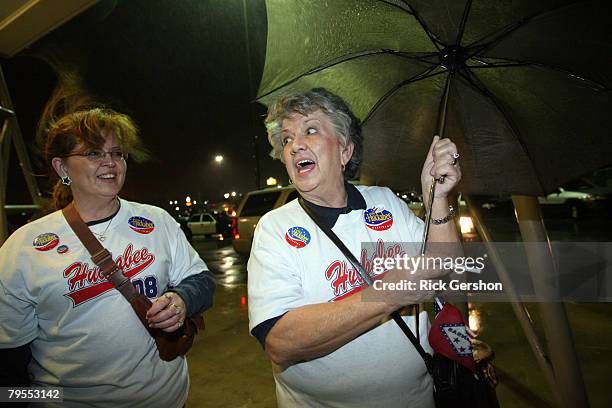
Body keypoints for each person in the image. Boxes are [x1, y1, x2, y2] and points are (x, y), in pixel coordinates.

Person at [248, 88, 462, 407]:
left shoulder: (385, 202)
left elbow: (444, 268)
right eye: (287, 138)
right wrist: (391, 292)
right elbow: (280, 341)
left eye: (310, 130)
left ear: (345, 150)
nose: (295, 146)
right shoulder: (275, 229)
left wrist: (437, 200)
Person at [0, 107, 216, 407]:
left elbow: (202, 281)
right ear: (62, 168)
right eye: (93, 153)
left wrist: (182, 300)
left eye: (117, 153)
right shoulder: (23, 247)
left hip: (166, 399)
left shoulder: (157, 220)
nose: (110, 162)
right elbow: (9, 369)